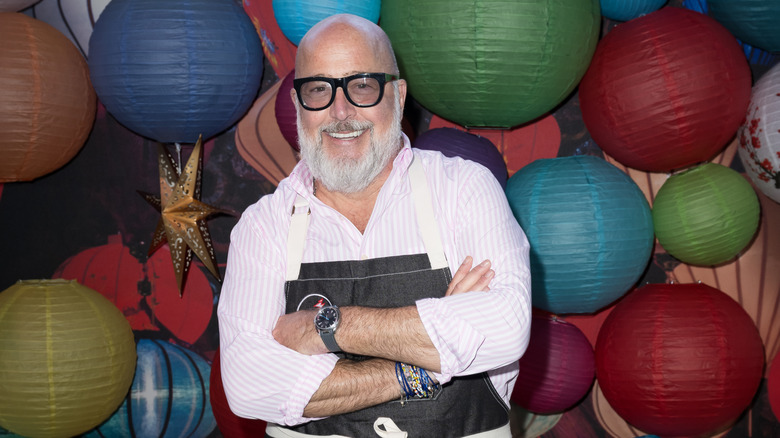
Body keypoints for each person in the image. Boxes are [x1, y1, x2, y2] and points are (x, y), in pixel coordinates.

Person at [218, 13, 532, 438]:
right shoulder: (263, 226)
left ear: (398, 96)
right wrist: (421, 367)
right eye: (318, 90)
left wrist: (324, 327)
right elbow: (248, 385)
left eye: (362, 85)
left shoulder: (464, 188)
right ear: (298, 105)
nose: (340, 112)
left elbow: (504, 328)